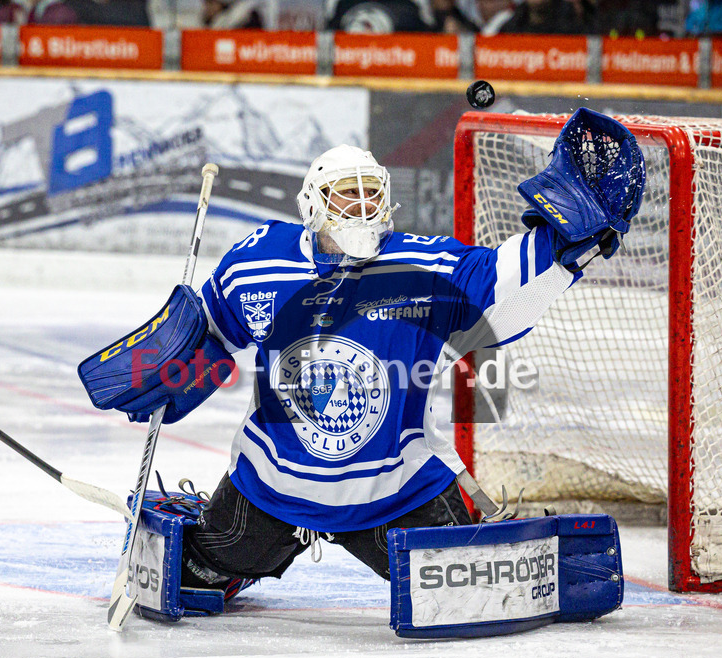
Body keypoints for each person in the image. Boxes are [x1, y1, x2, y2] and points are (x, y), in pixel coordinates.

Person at [153, 127, 642, 591]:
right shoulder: (258, 260)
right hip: (273, 488)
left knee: (463, 591)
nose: (363, 206)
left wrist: (564, 245)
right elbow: (211, 330)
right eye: (348, 194)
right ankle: (230, 556)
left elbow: (502, 283)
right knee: (193, 575)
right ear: (312, 205)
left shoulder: (423, 266)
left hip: (395, 494)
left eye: (372, 194)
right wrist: (164, 365)